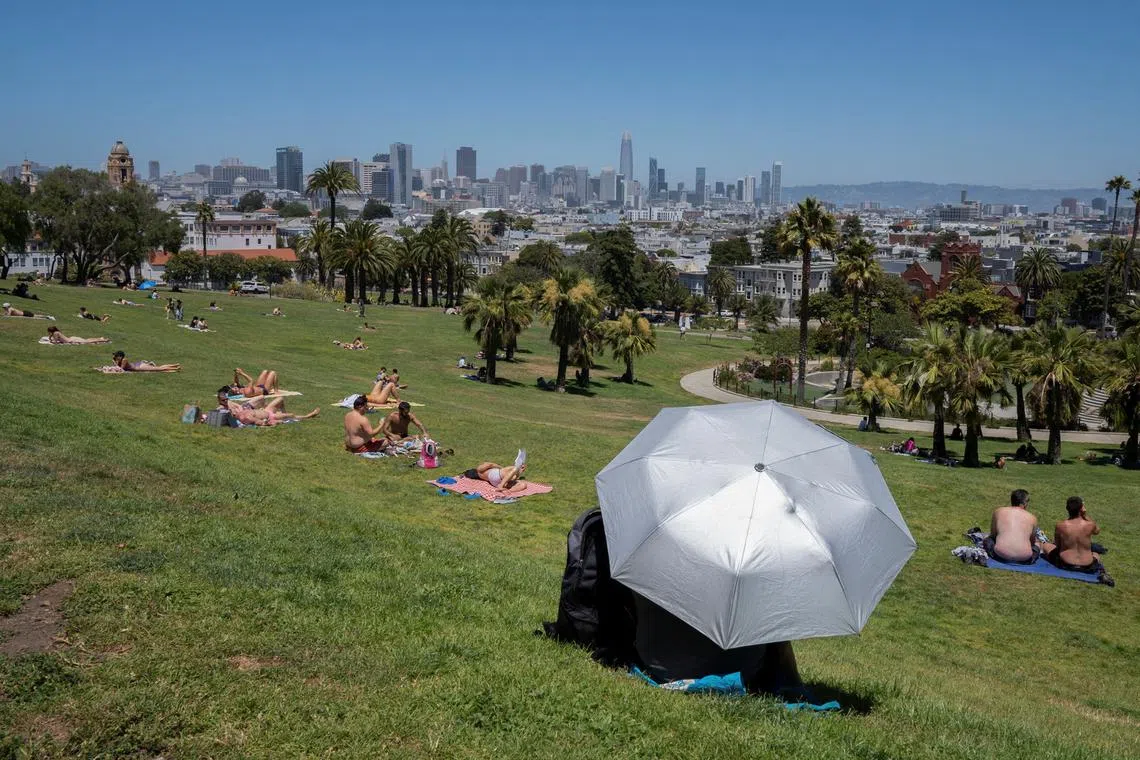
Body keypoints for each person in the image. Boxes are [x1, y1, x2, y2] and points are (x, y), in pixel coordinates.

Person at [1040, 497, 1108, 580]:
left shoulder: (1061, 526)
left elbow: (1057, 545)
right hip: (1087, 566)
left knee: (1046, 545)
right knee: (1096, 554)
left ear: (1067, 509)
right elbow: (1097, 531)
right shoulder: (1090, 525)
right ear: (1081, 509)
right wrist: (1085, 515)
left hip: (1066, 564)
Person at [983, 489, 1040, 564]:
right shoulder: (1033, 518)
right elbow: (1032, 542)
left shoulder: (999, 511)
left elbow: (993, 534)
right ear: (1025, 503)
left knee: (988, 540)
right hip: (1025, 557)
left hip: (1000, 554)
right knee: (1038, 543)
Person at [217, 388, 318, 427]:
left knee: (280, 399)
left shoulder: (236, 409)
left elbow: (237, 407)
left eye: (226, 400)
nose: (227, 402)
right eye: (224, 400)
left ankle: (284, 415)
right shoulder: (245, 417)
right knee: (291, 415)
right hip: (270, 416)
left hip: (265, 411)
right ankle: (308, 416)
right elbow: (261, 423)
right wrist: (272, 421)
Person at [112, 350, 180, 372]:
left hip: (139, 367)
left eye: (116, 356)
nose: (115, 357)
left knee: (158, 369)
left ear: (120, 356)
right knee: (159, 368)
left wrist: (114, 362)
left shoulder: (124, 360)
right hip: (138, 364)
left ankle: (175, 368)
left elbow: (121, 369)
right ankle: (175, 365)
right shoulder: (121, 360)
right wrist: (116, 361)